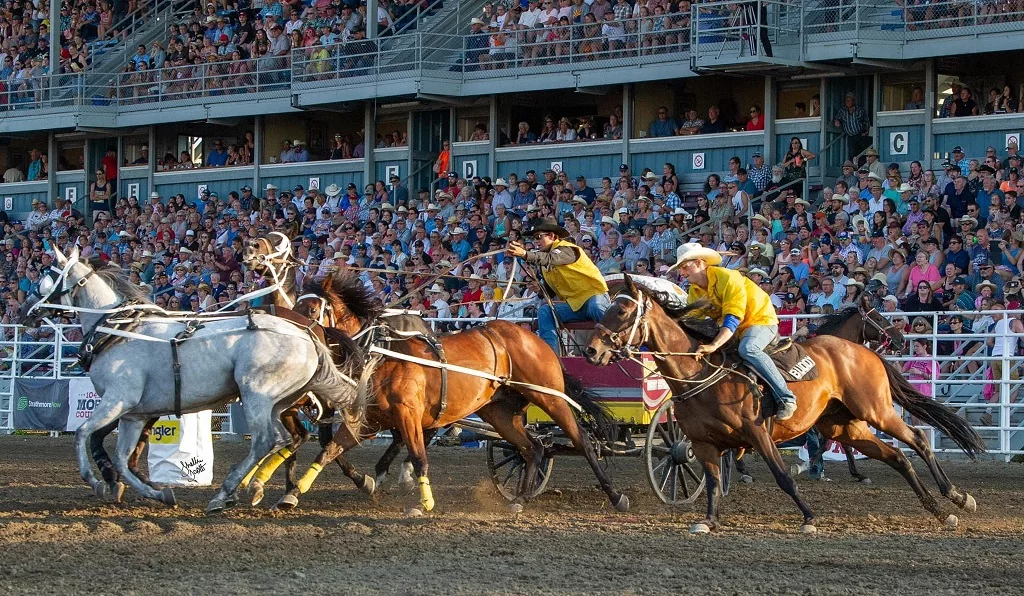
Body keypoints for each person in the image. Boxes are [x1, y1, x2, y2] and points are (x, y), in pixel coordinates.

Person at [669, 243, 798, 419]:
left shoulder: (729, 278)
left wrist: (713, 345)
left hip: (760, 320)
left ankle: (786, 398)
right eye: (680, 269)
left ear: (699, 263)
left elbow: (732, 319)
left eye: (685, 267)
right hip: (734, 329)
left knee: (748, 349)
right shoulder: (695, 291)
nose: (682, 273)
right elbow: (691, 320)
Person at [505, 217, 610, 356]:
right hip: (575, 306)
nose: (535, 241)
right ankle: (550, 355)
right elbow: (549, 290)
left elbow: (551, 259)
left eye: (538, 237)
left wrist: (525, 254)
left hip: (594, 296)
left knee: (596, 306)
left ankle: (618, 342)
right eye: (534, 238)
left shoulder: (568, 249)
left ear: (553, 236)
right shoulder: (545, 263)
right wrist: (540, 289)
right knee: (545, 311)